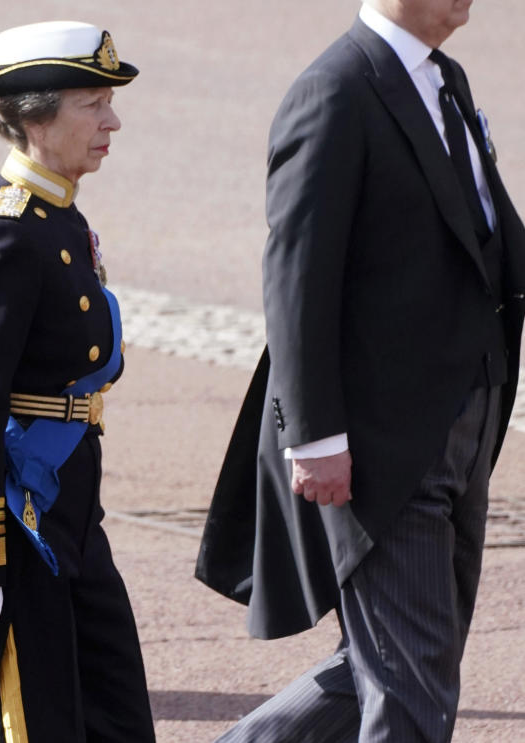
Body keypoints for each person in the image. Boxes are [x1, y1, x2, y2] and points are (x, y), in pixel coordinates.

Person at [195, 1, 525, 740]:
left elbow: (481, 244)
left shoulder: (444, 80)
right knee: (413, 684)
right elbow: (297, 275)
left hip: (462, 419)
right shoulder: (335, 90)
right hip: (382, 440)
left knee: (398, 659)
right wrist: (312, 436)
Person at [0, 21, 157, 743]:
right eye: (91, 102)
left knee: (114, 713)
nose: (111, 119)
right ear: (32, 115)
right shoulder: (4, 233)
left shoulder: (56, 213)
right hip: (18, 524)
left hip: (70, 513)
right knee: (42, 725)